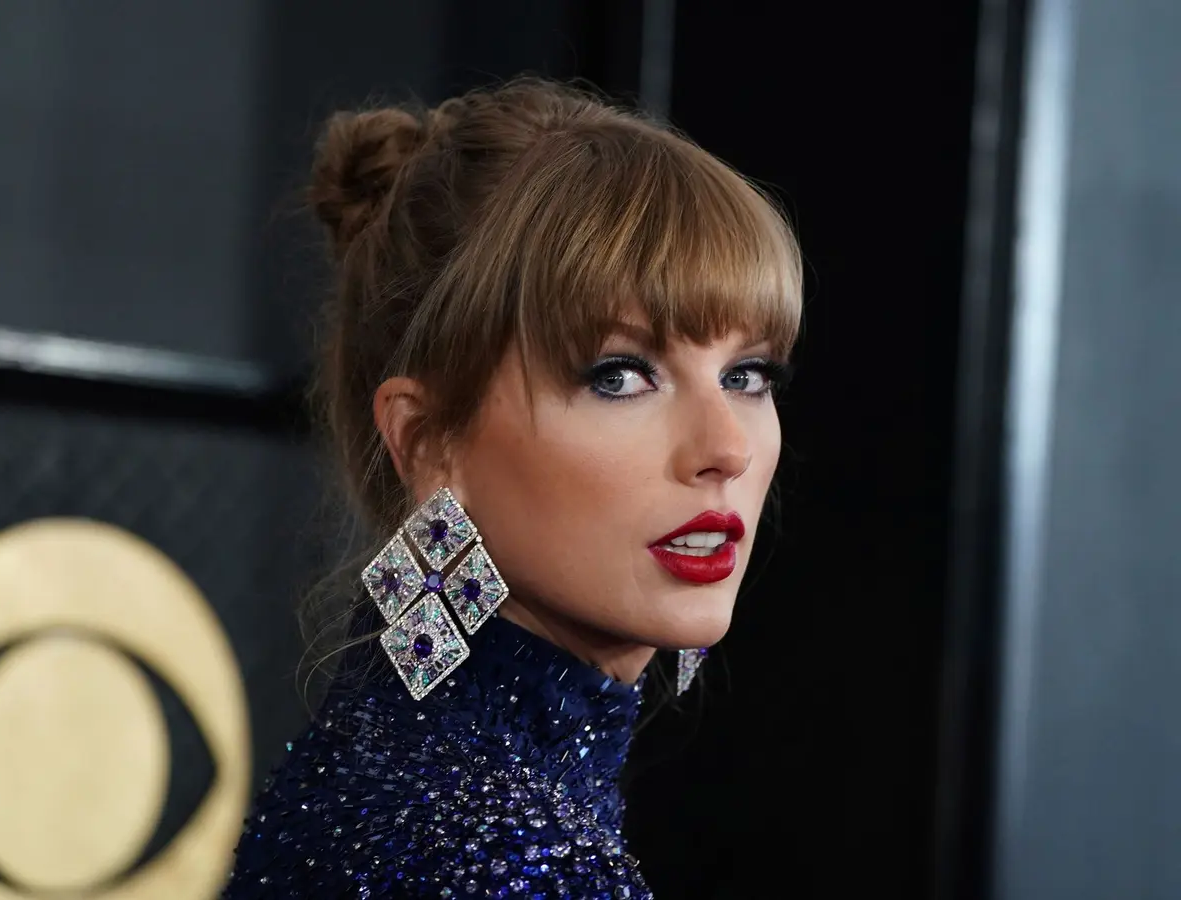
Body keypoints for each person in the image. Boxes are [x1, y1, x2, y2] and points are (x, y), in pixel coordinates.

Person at [223, 77, 801, 898]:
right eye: (621, 375)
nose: (726, 448)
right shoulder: (515, 861)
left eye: (747, 373)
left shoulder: (369, 759)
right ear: (426, 440)